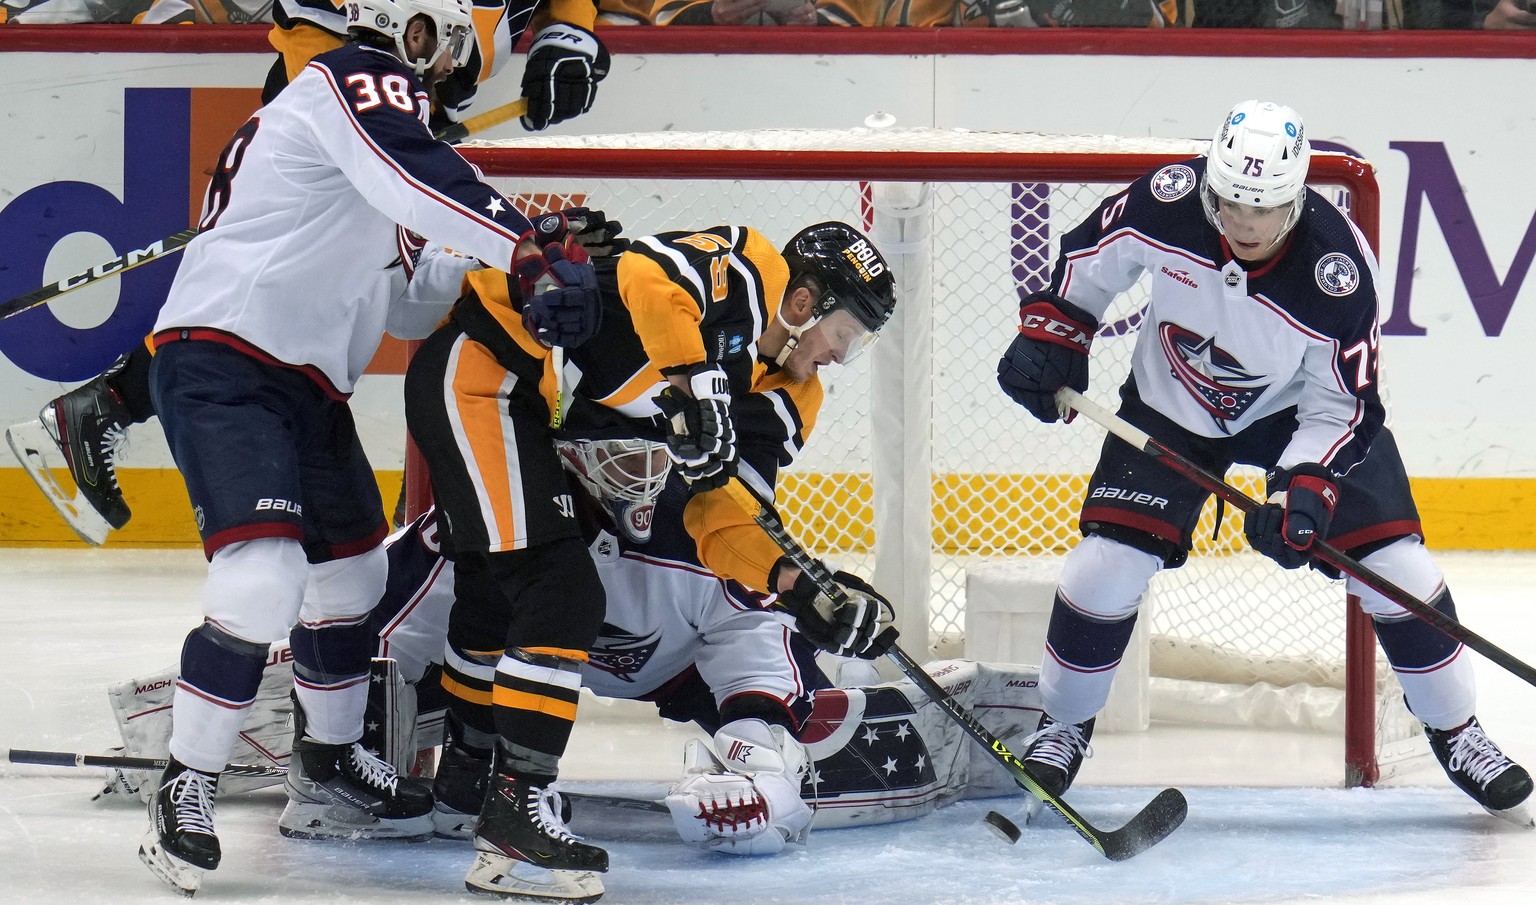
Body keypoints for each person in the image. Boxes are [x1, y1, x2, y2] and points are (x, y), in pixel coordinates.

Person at [133, 0, 606, 895]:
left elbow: (402, 300)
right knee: (264, 579)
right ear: (414, 27)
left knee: (350, 578)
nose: (458, 67)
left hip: (306, 381)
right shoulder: (355, 76)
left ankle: (328, 757)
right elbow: (422, 180)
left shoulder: (374, 130)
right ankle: (184, 783)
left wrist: (507, 267)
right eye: (454, 45)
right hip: (225, 360)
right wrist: (526, 247)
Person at [994, 99, 1533, 827]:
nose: (1242, 223)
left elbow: (1340, 405)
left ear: (1297, 195)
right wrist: (1056, 331)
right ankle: (1063, 724)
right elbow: (1091, 259)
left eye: (1264, 208)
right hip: (1173, 404)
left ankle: (1459, 732)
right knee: (1102, 566)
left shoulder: (1339, 272)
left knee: (1401, 572)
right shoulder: (1170, 200)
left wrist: (1304, 492)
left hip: (1295, 417)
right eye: (1230, 203)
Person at [401, 218, 898, 900]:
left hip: (527, 411)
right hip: (490, 368)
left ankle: (467, 784)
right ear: (806, 304)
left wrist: (798, 585)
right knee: (560, 591)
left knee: (496, 590)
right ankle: (504, 801)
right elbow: (641, 273)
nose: (841, 356)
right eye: (846, 334)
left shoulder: (789, 396)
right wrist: (693, 380)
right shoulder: (751, 269)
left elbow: (718, 518)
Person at [5, 0, 608, 546]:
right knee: (281, 297)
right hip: (358, 83)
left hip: (408, 95)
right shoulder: (358, 71)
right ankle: (112, 400)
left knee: (378, 282)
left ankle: (107, 402)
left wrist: (570, 31)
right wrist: (382, 120)